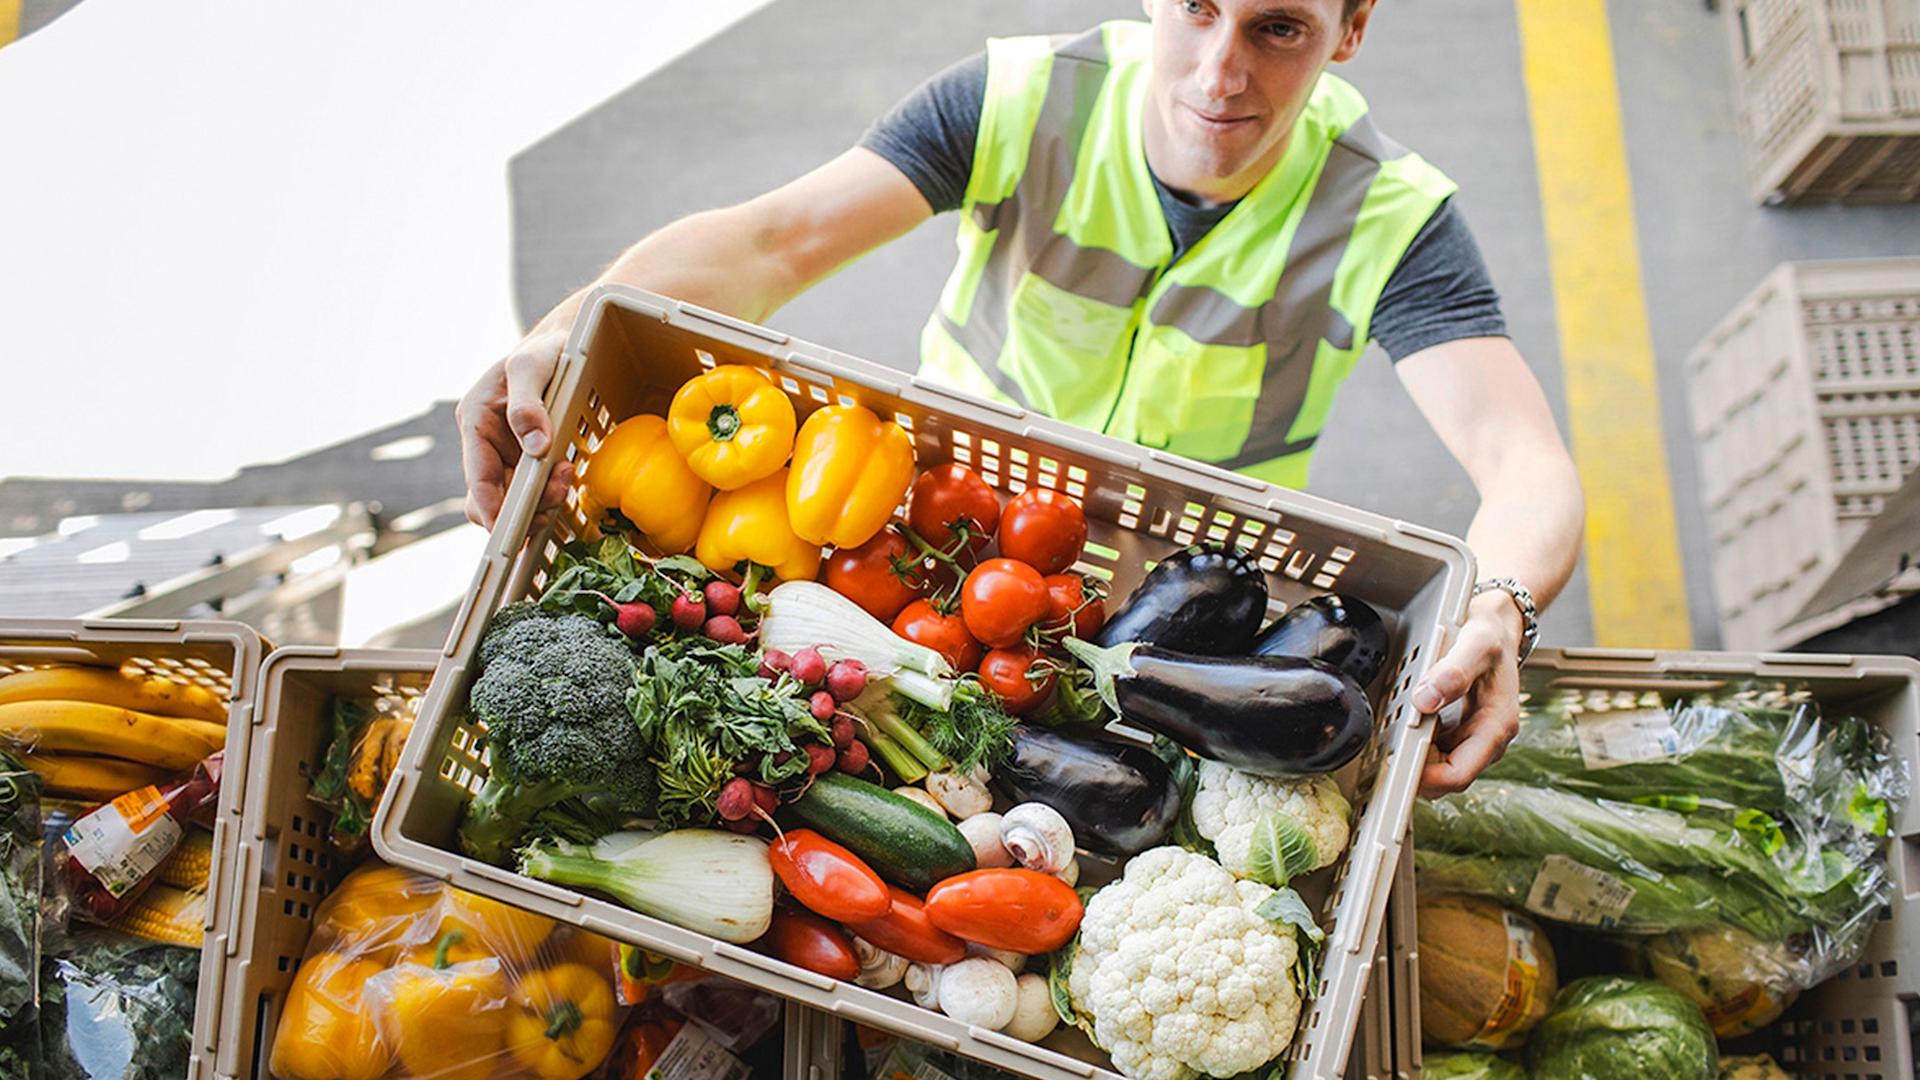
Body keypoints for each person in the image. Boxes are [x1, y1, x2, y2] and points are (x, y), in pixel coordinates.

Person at [457, 0, 1585, 797]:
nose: (1218, 73)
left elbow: (1521, 460)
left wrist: (1502, 607)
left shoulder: (1393, 214)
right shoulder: (1022, 97)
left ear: (1353, 25)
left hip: (1179, 583)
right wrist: (566, 327)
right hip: (946, 531)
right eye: (1196, 9)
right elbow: (776, 237)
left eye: (1276, 27)